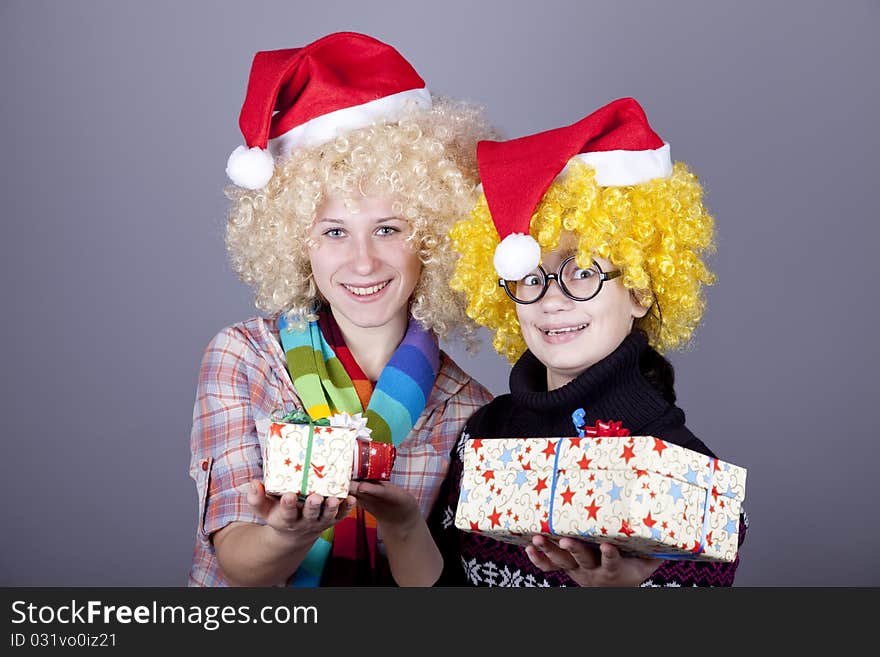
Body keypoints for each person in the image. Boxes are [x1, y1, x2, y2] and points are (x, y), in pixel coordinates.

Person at [188, 32, 496, 587]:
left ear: (432, 237)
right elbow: (238, 567)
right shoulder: (245, 359)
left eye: (388, 228)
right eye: (334, 231)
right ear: (294, 241)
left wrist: (403, 526)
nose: (362, 262)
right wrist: (288, 531)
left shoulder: (468, 408)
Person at [429, 97, 747, 586]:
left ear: (640, 288)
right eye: (531, 277)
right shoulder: (482, 434)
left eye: (582, 272)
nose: (551, 300)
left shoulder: (687, 478)